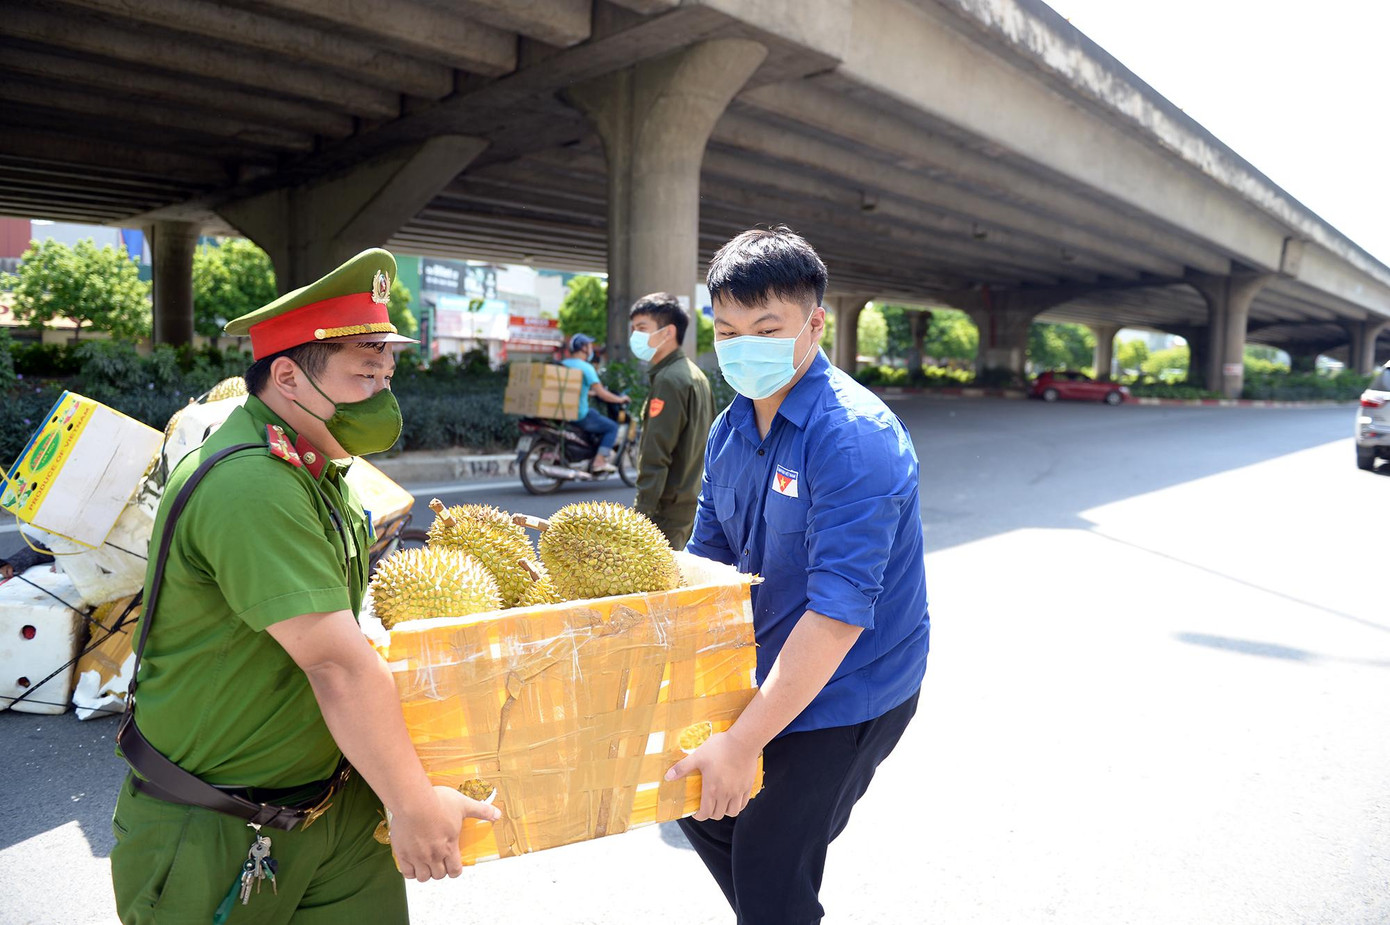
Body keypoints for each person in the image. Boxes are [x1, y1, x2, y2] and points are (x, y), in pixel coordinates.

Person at [109, 249, 501, 925]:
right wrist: (413, 802)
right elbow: (334, 662)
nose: (382, 392)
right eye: (363, 373)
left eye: (386, 371)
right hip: (217, 822)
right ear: (287, 376)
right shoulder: (251, 483)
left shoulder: (316, 470)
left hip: (335, 803)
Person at [666, 227, 929, 924]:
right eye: (726, 330)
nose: (741, 346)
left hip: (851, 687)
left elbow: (837, 616)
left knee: (768, 862)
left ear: (814, 324)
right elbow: (709, 570)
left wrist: (743, 739)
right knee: (692, 793)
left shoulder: (854, 438)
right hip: (767, 665)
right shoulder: (730, 430)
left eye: (766, 327)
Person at [628, 292, 714, 548]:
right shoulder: (695, 375)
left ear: (668, 332)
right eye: (633, 329)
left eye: (642, 329)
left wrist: (641, 513)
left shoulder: (668, 380)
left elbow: (656, 454)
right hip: (690, 502)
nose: (635, 336)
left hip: (666, 510)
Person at [560, 332, 629, 473]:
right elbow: (602, 393)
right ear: (583, 348)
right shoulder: (586, 368)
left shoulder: (563, 364)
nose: (591, 349)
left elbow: (572, 388)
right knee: (611, 427)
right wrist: (620, 399)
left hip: (563, 411)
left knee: (595, 413)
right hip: (579, 414)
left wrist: (589, 393)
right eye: (589, 346)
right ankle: (599, 462)